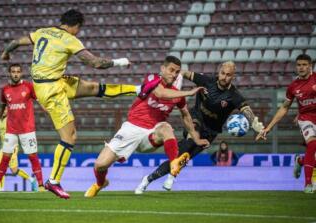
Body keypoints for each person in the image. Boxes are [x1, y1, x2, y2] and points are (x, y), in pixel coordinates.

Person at [0, 9, 141, 199]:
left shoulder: (44, 31)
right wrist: (121, 62)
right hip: (51, 90)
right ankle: (54, 181)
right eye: (78, 29)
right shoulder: (69, 39)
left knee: (91, 88)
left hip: (52, 81)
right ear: (76, 26)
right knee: (70, 136)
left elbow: (16, 42)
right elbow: (96, 63)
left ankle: (137, 90)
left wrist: (6, 53)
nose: (78, 33)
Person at [84, 56, 208, 198]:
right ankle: (100, 183)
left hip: (152, 134)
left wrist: (196, 139)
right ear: (163, 69)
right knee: (100, 165)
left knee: (166, 127)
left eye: (177, 72)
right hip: (132, 128)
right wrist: (189, 92)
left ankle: (174, 163)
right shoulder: (152, 79)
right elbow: (160, 93)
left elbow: (186, 115)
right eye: (171, 70)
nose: (173, 75)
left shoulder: (177, 95)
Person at [135, 61, 265, 194]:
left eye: (228, 75)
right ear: (219, 72)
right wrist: (167, 75)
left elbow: (246, 110)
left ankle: (152, 178)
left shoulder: (234, 96)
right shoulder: (206, 80)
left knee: (185, 156)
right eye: (222, 73)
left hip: (211, 131)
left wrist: (257, 126)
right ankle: (156, 179)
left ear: (233, 76)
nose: (224, 77)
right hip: (195, 119)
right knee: (188, 145)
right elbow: (184, 73)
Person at [257, 54, 316, 193]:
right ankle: (308, 184)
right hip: (305, 119)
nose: (301, 67)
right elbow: (284, 107)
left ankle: (301, 162)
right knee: (312, 143)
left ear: (310, 66)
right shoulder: (293, 86)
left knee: (312, 155)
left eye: (304, 65)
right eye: (299, 65)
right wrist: (268, 127)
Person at [0, 64, 45, 192]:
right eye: (13, 71)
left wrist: (48, 110)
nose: (15, 74)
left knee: (33, 157)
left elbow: (40, 101)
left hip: (27, 129)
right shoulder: (5, 90)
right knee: (5, 157)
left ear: (21, 73)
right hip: (11, 130)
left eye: (18, 72)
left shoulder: (28, 86)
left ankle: (41, 185)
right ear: (9, 73)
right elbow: (2, 107)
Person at [0, 109, 38, 191]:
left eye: (7, 109)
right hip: (3, 148)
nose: (5, 111)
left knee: (14, 170)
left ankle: (32, 180)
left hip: (12, 147)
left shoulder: (11, 119)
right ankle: (0, 189)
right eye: (4, 109)